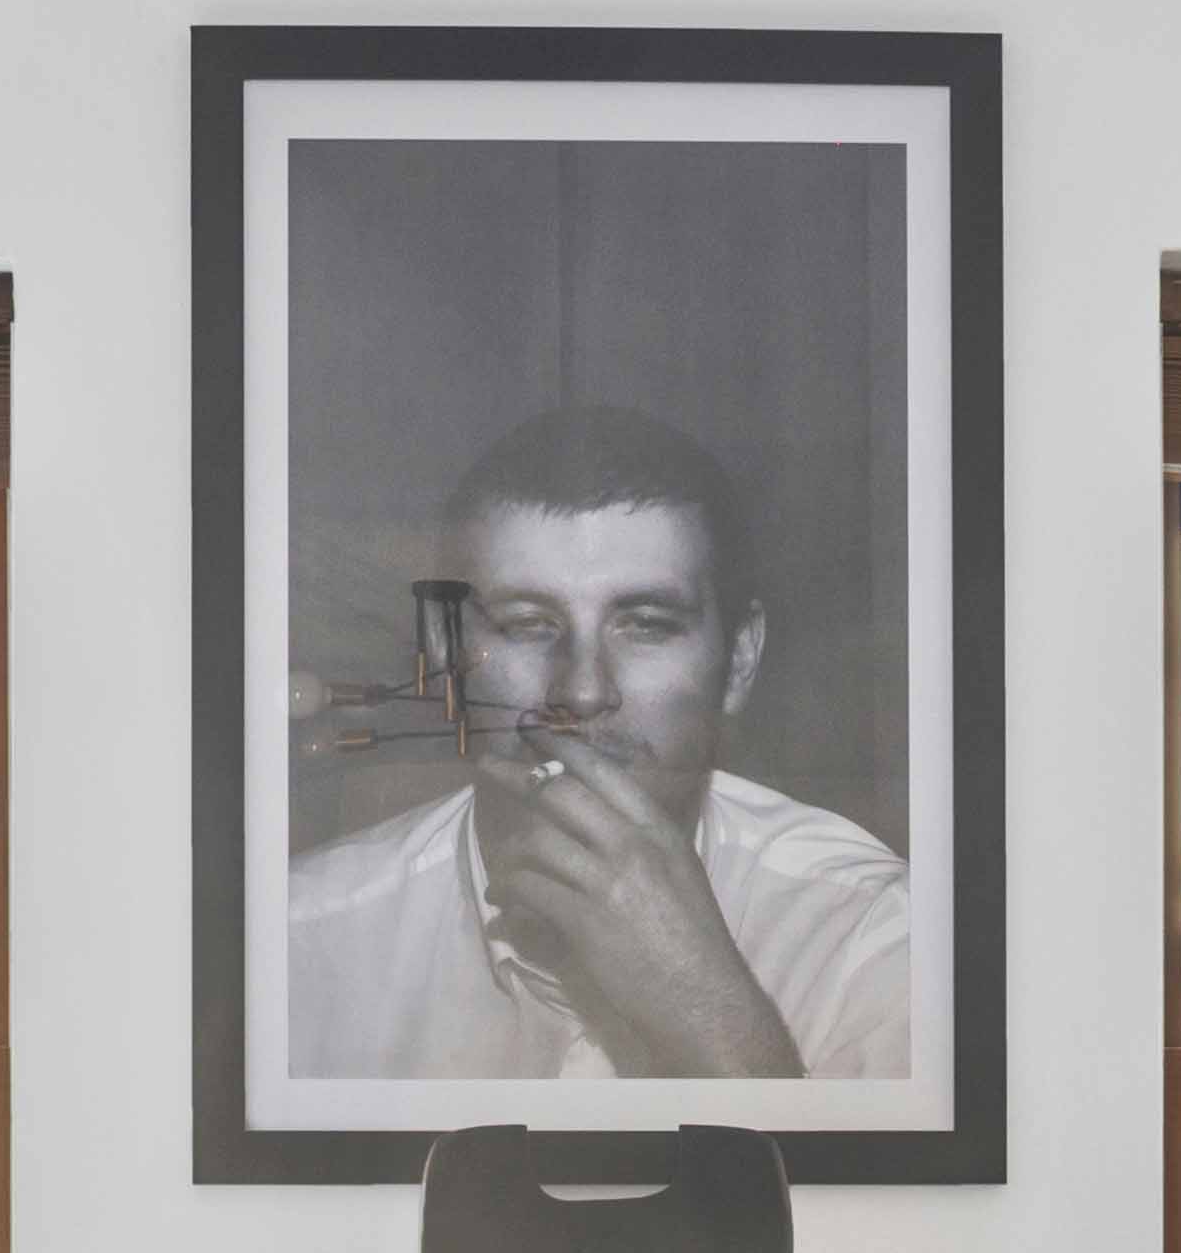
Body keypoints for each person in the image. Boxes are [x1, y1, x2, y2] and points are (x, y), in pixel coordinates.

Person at [275, 401, 914, 1083]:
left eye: (645, 624)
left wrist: (704, 1008)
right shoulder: (295, 946)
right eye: (527, 623)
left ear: (739, 660)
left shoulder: (871, 943)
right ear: (446, 653)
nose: (581, 692)